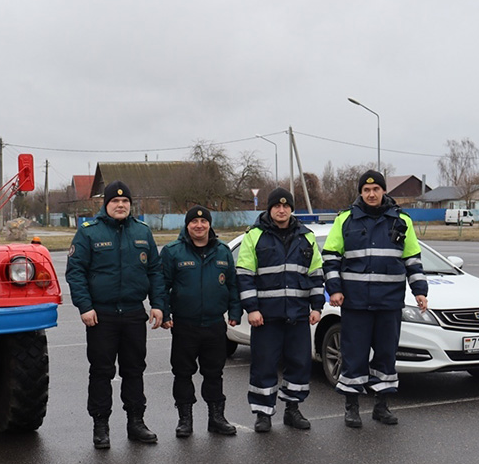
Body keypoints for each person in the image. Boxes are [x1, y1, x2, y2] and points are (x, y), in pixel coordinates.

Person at [322, 170, 429, 428]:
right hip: (355, 304)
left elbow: (412, 259)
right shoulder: (345, 220)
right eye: (366, 190)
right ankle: (352, 408)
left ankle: (382, 406)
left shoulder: (401, 221)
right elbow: (330, 257)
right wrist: (334, 289)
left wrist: (420, 291)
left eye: (376, 190)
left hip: (388, 304)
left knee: (386, 356)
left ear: (383, 191)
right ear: (360, 192)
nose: (371, 194)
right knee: (353, 356)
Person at [65, 181, 166, 449]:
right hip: (102, 315)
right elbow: (76, 272)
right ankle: (101, 426)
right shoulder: (89, 233)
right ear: (106, 204)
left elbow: (155, 271)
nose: (120, 205)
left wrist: (158, 304)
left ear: (130, 205)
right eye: (115, 202)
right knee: (101, 371)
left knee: (134, 370)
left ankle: (136, 423)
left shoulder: (142, 231)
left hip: (134, 313)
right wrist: (85, 307)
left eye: (125, 202)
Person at [236, 187, 324, 433]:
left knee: (299, 364)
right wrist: (251, 309)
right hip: (265, 318)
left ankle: (292, 410)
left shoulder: (306, 237)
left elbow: (316, 274)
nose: (281, 210)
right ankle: (263, 414)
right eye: (277, 206)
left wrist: (317, 306)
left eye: (286, 206)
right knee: (264, 366)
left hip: (297, 316)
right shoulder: (254, 236)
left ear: (291, 209)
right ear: (270, 208)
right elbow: (244, 275)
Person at [161, 206, 242, 437]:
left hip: (215, 325)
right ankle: (185, 419)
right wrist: (165, 314)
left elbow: (232, 285)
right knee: (183, 373)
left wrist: (235, 312)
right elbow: (161, 286)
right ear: (187, 226)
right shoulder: (173, 251)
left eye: (204, 222)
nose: (199, 226)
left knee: (214, 373)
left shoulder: (222, 251)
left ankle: (216, 418)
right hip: (184, 326)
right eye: (194, 222)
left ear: (209, 224)